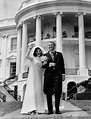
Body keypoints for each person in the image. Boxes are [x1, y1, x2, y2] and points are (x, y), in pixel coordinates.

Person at [21, 44, 46, 115]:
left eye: (39, 51)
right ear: (35, 52)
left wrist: (44, 65)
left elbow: (41, 68)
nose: (38, 52)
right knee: (33, 91)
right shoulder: (33, 58)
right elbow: (26, 56)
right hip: (33, 76)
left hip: (39, 76)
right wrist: (29, 49)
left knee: (38, 91)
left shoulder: (41, 59)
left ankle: (39, 108)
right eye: (37, 51)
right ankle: (31, 108)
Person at [42, 41, 65, 114]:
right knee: (48, 93)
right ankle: (50, 110)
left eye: (51, 45)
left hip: (57, 75)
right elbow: (42, 66)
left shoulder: (59, 54)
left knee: (57, 92)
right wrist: (47, 64)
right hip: (48, 76)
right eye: (48, 45)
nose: (49, 46)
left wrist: (63, 74)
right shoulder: (44, 55)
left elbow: (62, 65)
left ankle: (57, 110)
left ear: (54, 46)